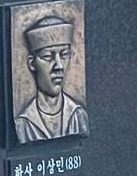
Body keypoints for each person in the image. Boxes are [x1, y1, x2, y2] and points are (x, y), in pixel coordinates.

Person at [14, 15, 88, 143]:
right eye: (48, 57)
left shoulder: (78, 115)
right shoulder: (23, 123)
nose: (59, 66)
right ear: (32, 64)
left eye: (64, 55)